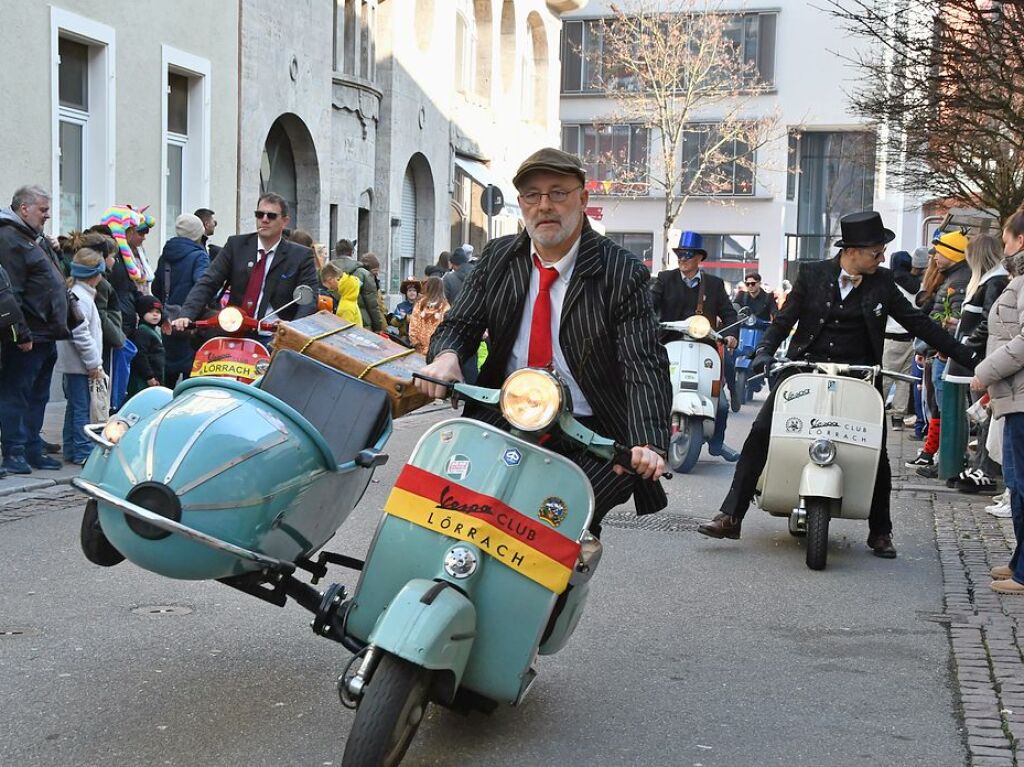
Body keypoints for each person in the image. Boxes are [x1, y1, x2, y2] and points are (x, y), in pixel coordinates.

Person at [414, 147, 671, 536]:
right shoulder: (499, 257)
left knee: (552, 536)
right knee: (444, 510)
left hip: (592, 433)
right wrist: (447, 356)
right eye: (532, 195)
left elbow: (643, 362)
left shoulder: (621, 271)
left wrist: (647, 442)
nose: (544, 205)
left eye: (558, 193)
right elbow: (461, 323)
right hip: (503, 416)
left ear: (582, 199)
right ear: (521, 204)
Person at [698, 211, 979, 558]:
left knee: (878, 452)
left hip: (859, 376)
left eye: (882, 252)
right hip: (804, 370)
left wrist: (970, 357)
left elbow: (921, 324)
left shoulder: (882, 282)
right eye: (876, 251)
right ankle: (731, 516)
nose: (882, 258)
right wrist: (765, 350)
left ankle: (880, 532)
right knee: (761, 432)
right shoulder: (813, 274)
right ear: (852, 251)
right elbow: (785, 320)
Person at [651, 230, 741, 461]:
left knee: (720, 403)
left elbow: (730, 314)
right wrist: (649, 324)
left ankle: (718, 443)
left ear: (700, 258)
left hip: (704, 346)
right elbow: (649, 305)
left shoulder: (714, 284)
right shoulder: (665, 279)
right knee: (649, 386)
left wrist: (731, 334)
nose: (683, 259)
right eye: (680, 254)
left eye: (688, 255)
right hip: (669, 342)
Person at [171, 193, 318, 332]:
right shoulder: (236, 245)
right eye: (259, 215)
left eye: (271, 216)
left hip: (276, 336)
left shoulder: (301, 255)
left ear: (285, 221)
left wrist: (294, 327)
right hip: (234, 330)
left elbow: (309, 300)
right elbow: (209, 281)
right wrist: (186, 314)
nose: (264, 219)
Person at [972, 210, 1024, 594]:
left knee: (1021, 484)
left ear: (1020, 240)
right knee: (1017, 482)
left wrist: (986, 371)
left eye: (1006, 239)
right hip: (1014, 397)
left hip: (1020, 396)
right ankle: (1019, 561)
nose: (1003, 247)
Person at [0, 185, 69, 475]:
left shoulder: (32, 239)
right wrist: (21, 334)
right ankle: (13, 452)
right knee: (17, 394)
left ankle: (31, 447)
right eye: (42, 209)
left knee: (38, 395)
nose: (48, 215)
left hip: (46, 333)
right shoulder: (9, 239)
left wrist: (56, 251)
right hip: (28, 336)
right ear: (23, 208)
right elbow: (9, 293)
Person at [945, 233, 1008, 492]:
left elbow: (988, 321)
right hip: (979, 357)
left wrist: (966, 345)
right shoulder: (991, 281)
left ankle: (985, 468)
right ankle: (980, 465)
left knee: (983, 415)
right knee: (981, 415)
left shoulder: (992, 282)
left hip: (980, 359)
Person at [906, 229, 972, 475]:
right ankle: (944, 457)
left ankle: (953, 459)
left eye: (940, 253)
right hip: (939, 352)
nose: (934, 257)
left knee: (948, 409)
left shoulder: (957, 281)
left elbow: (954, 319)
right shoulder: (953, 278)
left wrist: (939, 346)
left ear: (951, 254)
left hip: (944, 354)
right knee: (940, 406)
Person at [56, 247, 105, 466]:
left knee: (74, 407)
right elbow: (81, 334)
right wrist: (94, 363)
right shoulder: (82, 298)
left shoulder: (79, 293)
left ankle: (71, 446)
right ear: (95, 275)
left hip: (74, 363)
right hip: (80, 365)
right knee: (82, 408)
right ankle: (82, 449)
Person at [154, 213, 209, 386]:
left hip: (169, 319)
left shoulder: (166, 255)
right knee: (191, 377)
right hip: (192, 323)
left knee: (168, 375)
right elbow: (204, 285)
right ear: (197, 233)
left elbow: (156, 286)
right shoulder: (199, 256)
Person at [882, 251, 920, 429]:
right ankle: (898, 418)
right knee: (904, 379)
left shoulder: (890, 283)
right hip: (911, 339)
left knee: (885, 377)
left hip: (891, 337)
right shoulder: (918, 285)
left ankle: (876, 411)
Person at [332, 238, 383, 331]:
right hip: (361, 323)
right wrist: (378, 327)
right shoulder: (363, 273)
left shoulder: (325, 273)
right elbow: (372, 305)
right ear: (352, 252)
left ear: (336, 252)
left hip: (331, 321)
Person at [128, 295, 165, 396]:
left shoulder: (155, 330)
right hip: (144, 381)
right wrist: (149, 377)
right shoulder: (143, 331)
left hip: (155, 378)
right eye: (150, 312)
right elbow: (140, 355)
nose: (155, 315)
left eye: (158, 312)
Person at [408, 276, 449, 355]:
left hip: (420, 348)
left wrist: (415, 341)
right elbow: (445, 328)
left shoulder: (420, 304)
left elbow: (414, 324)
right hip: (436, 349)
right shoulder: (445, 306)